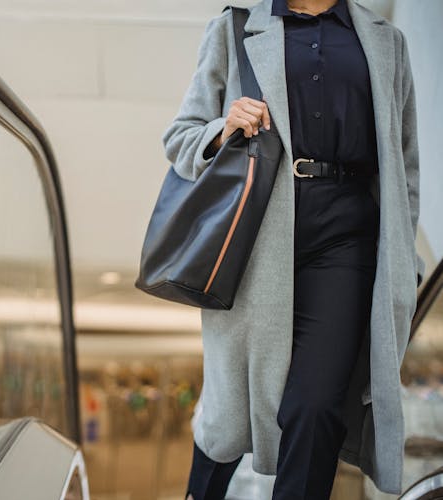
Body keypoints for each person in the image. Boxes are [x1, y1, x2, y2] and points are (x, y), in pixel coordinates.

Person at [162, 0, 422, 498]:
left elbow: (404, 163)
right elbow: (181, 138)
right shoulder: (235, 28)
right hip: (256, 236)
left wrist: (403, 252)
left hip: (346, 237)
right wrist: (224, 129)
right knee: (231, 403)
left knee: (316, 404)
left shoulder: (386, 40)